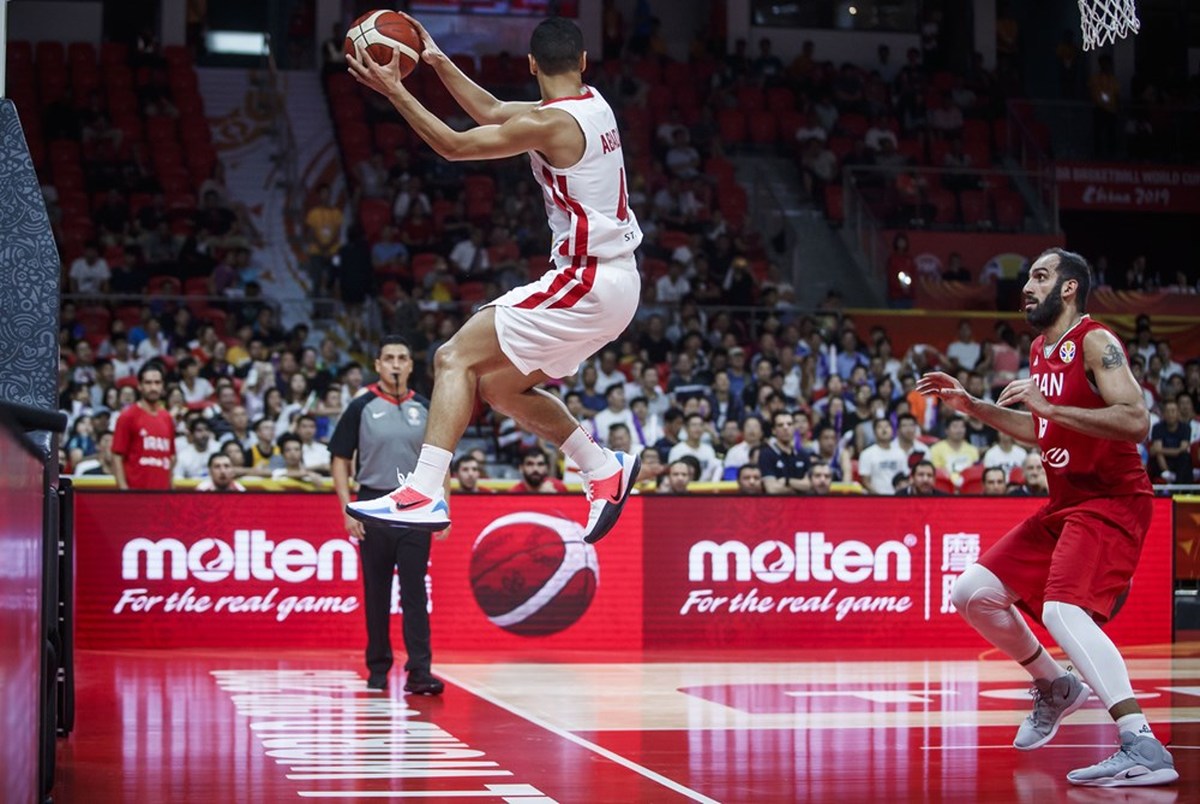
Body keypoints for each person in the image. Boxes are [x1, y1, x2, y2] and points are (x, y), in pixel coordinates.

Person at [346, 16, 642, 543]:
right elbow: (494, 112)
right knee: (499, 386)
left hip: (587, 278)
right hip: (613, 284)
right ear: (582, 63)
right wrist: (435, 60)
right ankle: (601, 468)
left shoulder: (550, 124)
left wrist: (395, 90)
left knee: (452, 358)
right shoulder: (592, 102)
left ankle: (423, 490)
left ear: (530, 65)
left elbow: (455, 146)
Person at [916, 248, 1178, 787]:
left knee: (1062, 610)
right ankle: (1055, 685)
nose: (1026, 286)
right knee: (971, 592)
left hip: (1111, 500)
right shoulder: (1040, 348)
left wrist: (1051, 407)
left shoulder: (1096, 341)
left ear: (1068, 288)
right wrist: (973, 407)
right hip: (1065, 504)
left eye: (1040, 276)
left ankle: (1142, 745)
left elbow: (1136, 420)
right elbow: (1042, 429)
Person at [330, 336, 446, 695]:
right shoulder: (361, 406)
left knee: (415, 594)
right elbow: (339, 459)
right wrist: (348, 509)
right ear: (378, 365)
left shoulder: (428, 407)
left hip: (415, 506)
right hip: (372, 504)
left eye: (402, 358)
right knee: (376, 592)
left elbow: (442, 459)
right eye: (389, 358)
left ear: (411, 366)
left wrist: (444, 507)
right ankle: (378, 669)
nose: (395, 364)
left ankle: (419, 671)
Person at [112, 363, 175, 489]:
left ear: (163, 386)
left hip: (162, 495)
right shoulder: (127, 416)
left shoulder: (167, 418)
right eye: (148, 383)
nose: (153, 387)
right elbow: (117, 456)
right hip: (135, 495)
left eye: (157, 383)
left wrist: (170, 489)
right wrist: (124, 491)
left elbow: (171, 457)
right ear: (140, 386)